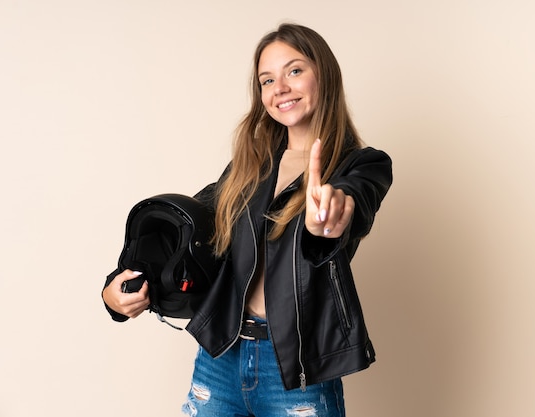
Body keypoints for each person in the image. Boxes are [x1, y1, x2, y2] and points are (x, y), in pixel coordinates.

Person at [102, 23, 392, 417]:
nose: (280, 88)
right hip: (221, 355)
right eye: (266, 80)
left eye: (294, 70)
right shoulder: (249, 167)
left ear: (324, 73)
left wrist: (329, 216)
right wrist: (119, 288)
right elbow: (195, 230)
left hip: (294, 367)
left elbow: (351, 205)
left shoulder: (362, 165)